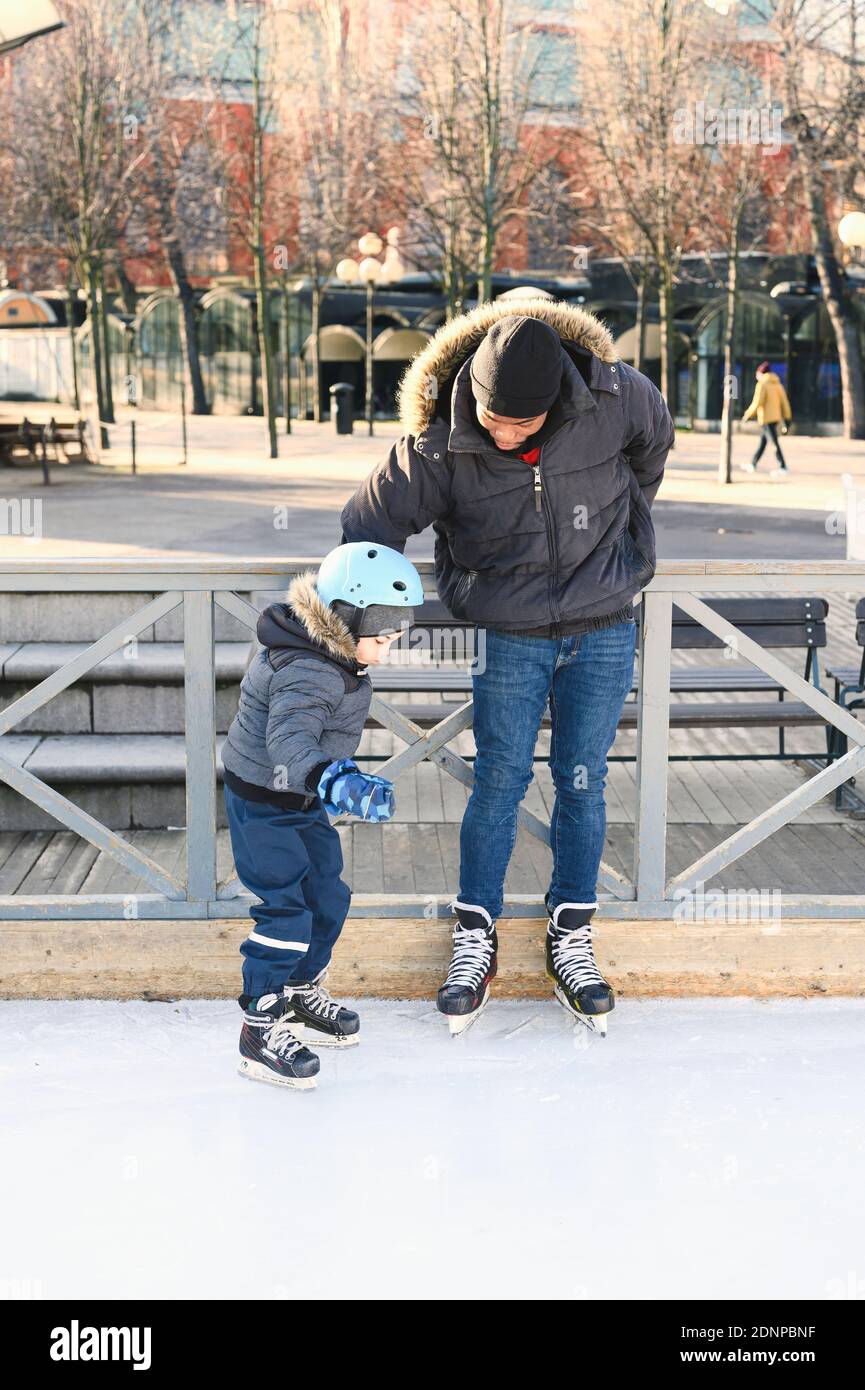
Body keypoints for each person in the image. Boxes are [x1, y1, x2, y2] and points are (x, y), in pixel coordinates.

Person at [341, 303, 674, 1036]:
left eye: (521, 425)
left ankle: (571, 931)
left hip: (604, 625)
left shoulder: (618, 396)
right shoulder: (436, 442)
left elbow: (651, 452)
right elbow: (367, 528)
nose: (503, 433)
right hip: (508, 630)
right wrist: (370, 621)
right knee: (499, 779)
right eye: (494, 418)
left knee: (583, 778)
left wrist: (623, 537)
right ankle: (474, 932)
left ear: (557, 403)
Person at [222, 542, 424, 1088]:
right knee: (285, 912)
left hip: (300, 798)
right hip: (264, 802)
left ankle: (298, 992)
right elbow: (287, 737)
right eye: (380, 639)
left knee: (328, 896)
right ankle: (258, 1026)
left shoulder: (330, 652)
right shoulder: (307, 668)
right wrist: (336, 779)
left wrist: (338, 779)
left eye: (392, 641)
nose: (383, 653)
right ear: (347, 617)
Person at [740, 361, 792, 475]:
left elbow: (757, 402)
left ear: (760, 373)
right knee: (763, 443)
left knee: (774, 443)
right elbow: (785, 403)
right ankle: (753, 463)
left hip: (766, 419)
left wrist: (747, 414)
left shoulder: (762, 384)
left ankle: (783, 466)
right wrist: (788, 418)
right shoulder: (778, 384)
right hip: (775, 419)